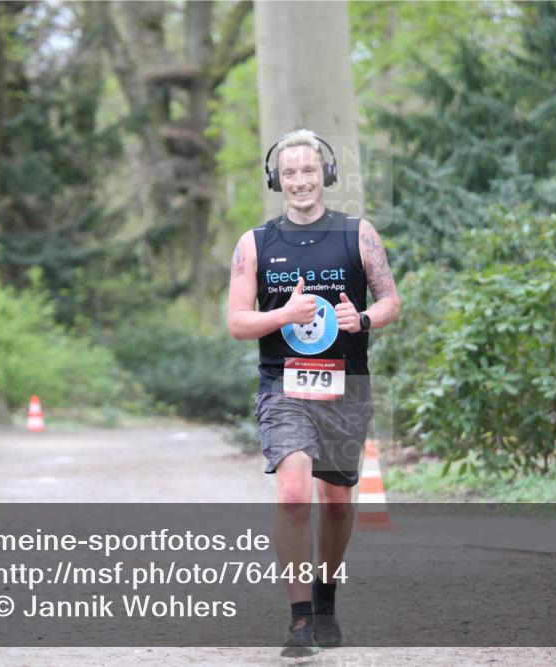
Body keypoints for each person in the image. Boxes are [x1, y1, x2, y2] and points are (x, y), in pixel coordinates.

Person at [227, 129, 401, 657]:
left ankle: (326, 600)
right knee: (293, 491)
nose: (300, 180)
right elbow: (237, 322)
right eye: (290, 171)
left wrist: (363, 317)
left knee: (336, 500)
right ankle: (301, 619)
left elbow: (392, 301)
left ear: (324, 175)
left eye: (308, 170)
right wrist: (284, 315)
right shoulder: (255, 243)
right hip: (284, 384)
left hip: (346, 387)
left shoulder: (358, 234)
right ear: (276, 179)